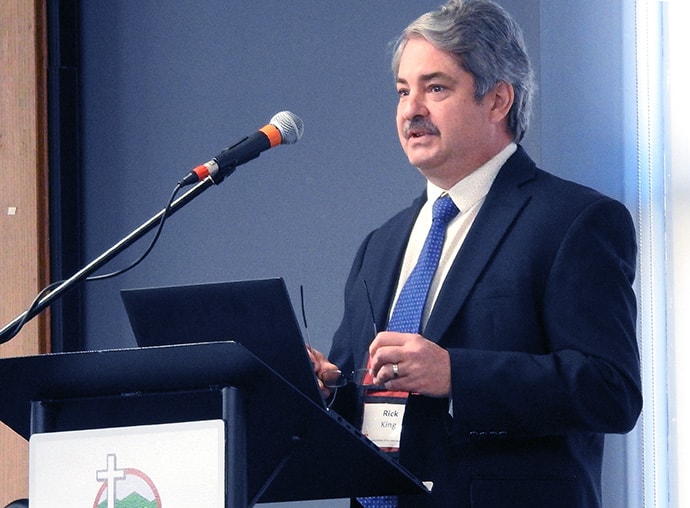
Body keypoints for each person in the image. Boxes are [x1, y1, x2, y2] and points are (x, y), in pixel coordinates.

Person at [309, 0, 642, 506]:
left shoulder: (574, 221)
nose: (410, 109)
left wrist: (457, 375)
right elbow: (367, 394)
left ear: (498, 100)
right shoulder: (379, 246)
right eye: (403, 91)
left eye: (435, 88)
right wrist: (325, 390)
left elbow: (610, 390)